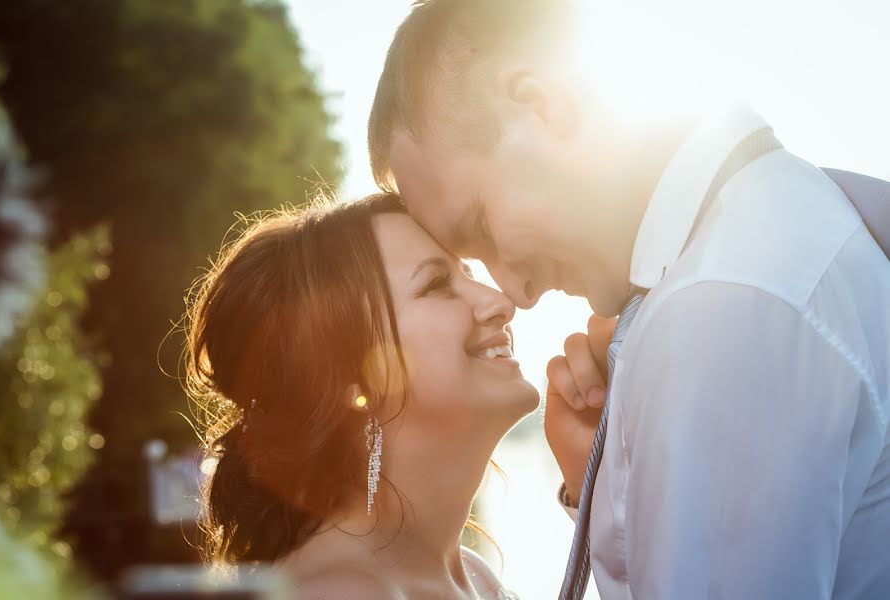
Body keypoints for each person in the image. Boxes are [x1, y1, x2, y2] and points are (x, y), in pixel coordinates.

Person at [368, 0, 890, 597]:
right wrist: (611, 484)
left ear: (543, 105)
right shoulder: (781, 219)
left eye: (482, 225)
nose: (516, 293)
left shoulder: (719, 310)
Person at [185, 193, 540, 599]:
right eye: (438, 285)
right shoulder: (338, 592)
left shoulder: (472, 576)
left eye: (469, 273)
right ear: (347, 379)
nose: (499, 302)